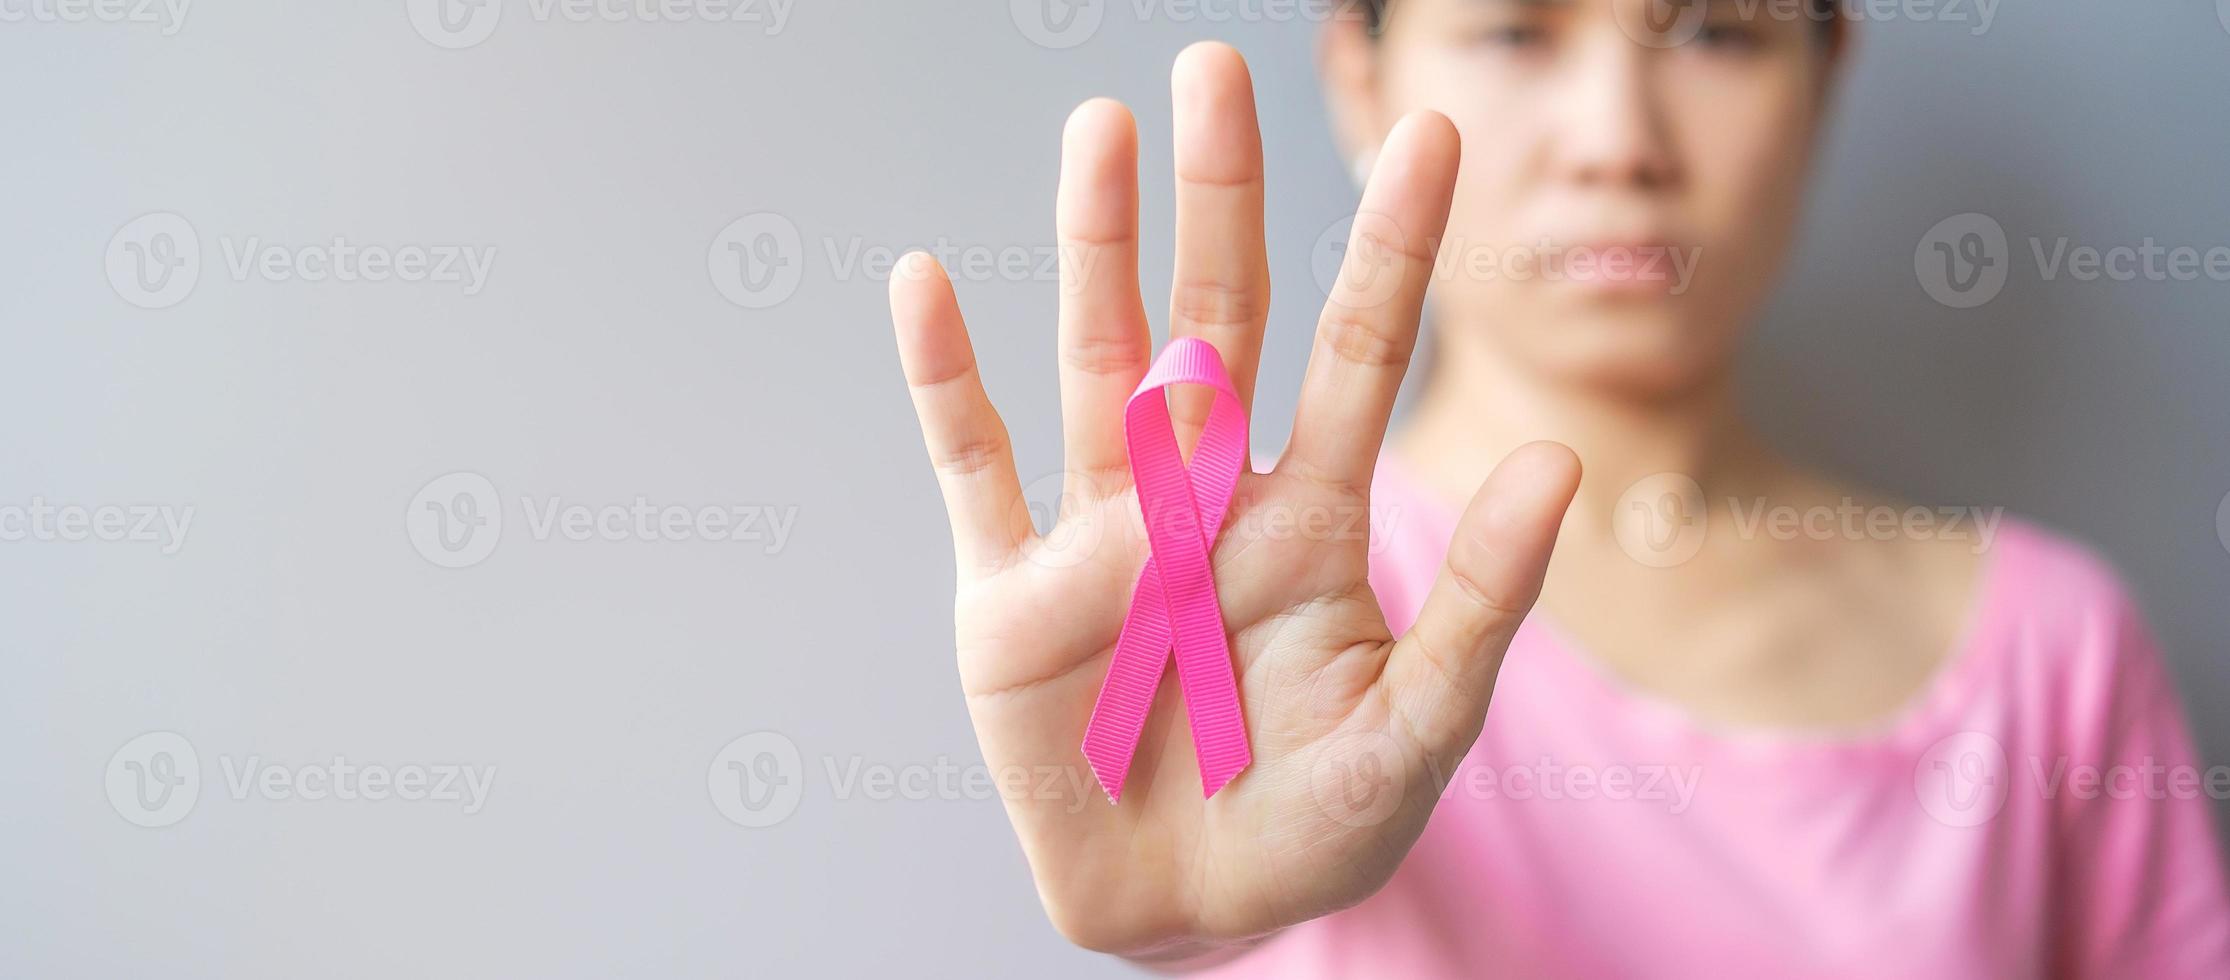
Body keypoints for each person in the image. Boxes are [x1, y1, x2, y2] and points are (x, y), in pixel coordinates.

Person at [886, 1, 2230, 975]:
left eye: (1715, 31)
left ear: (1825, 73)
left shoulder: (2054, 653)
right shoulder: (1223, 642)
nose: (1617, 142)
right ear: (1357, 73)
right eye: (1516, 30)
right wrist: (1186, 919)